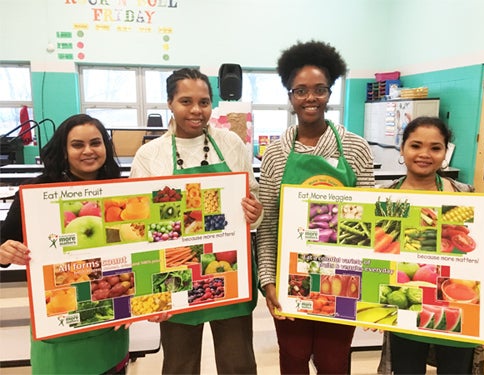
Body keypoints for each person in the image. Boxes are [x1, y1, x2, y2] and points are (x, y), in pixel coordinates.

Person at [129, 68, 263, 374]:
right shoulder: (150, 155)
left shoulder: (230, 143)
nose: (196, 110)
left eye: (204, 102)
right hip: (175, 272)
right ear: (170, 103)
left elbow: (253, 200)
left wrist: (255, 213)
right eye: (185, 101)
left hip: (229, 270)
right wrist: (149, 292)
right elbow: (140, 228)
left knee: (238, 363)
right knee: (179, 364)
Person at [256, 40, 375, 374]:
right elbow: (267, 225)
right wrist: (268, 280)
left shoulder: (355, 148)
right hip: (290, 277)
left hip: (343, 278)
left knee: (334, 361)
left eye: (319, 89)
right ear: (290, 95)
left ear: (330, 91)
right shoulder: (277, 153)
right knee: (292, 358)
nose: (310, 98)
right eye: (301, 90)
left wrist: (368, 283)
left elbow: (368, 224)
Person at [0, 114, 129, 374]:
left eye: (96, 142)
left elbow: (133, 253)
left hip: (109, 313)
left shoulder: (119, 191)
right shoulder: (37, 192)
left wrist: (136, 302)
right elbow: (3, 244)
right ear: (63, 149)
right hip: (60, 320)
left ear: (106, 146)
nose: (88, 151)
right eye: (77, 145)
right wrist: (5, 252)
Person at [376, 116, 484, 374]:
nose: (424, 154)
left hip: (458, 310)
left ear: (445, 153)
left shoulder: (464, 195)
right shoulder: (386, 198)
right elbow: (375, 253)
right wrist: (371, 304)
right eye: (416, 145)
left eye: (435, 148)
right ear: (402, 148)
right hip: (405, 309)